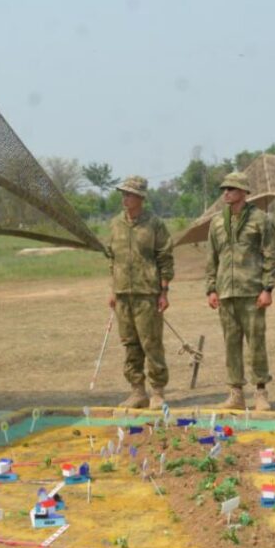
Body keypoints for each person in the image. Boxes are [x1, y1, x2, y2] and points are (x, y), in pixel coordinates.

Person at [205, 171, 275, 411]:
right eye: (224, 189)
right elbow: (211, 257)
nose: (226, 193)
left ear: (244, 192)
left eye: (231, 189)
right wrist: (211, 289)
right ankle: (235, 393)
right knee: (231, 344)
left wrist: (267, 288)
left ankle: (260, 392)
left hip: (252, 291)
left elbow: (270, 255)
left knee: (256, 343)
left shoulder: (260, 220)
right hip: (226, 293)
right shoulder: (217, 222)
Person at [107, 175, 174, 410]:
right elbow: (113, 259)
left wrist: (164, 292)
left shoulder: (154, 224)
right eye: (123, 194)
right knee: (130, 344)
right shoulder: (115, 224)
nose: (124, 198)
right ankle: (137, 391)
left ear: (140, 198)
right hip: (123, 294)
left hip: (148, 294)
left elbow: (165, 258)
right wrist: (113, 291)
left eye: (129, 194)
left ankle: (157, 392)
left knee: (151, 343)